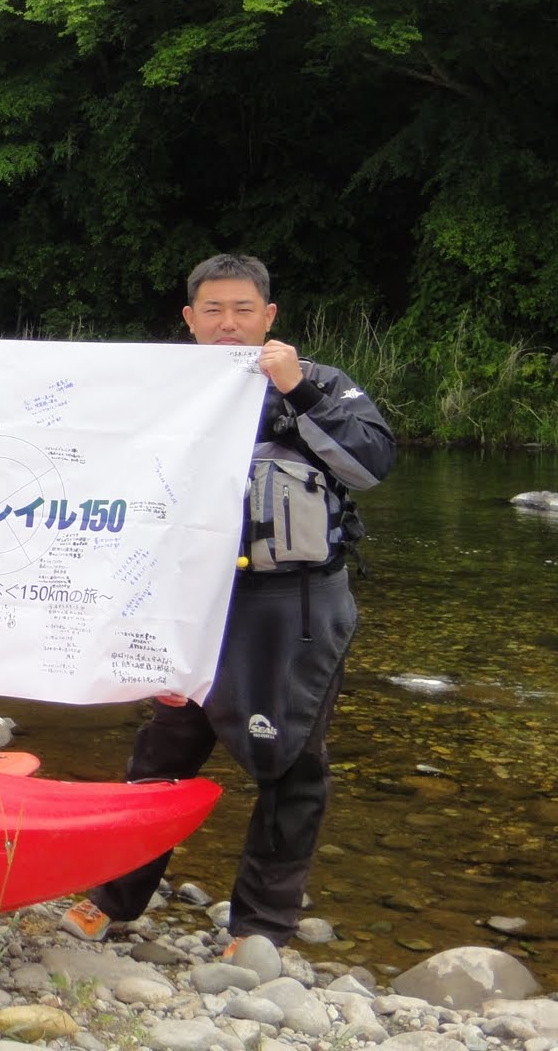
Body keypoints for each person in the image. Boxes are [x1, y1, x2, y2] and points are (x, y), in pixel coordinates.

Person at [61, 254, 395, 952]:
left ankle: (260, 926)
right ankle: (113, 898)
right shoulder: (161, 393)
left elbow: (371, 464)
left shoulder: (320, 383)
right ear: (189, 319)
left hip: (294, 606)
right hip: (192, 604)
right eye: (212, 310)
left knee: (292, 760)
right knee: (163, 750)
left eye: (243, 310)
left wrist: (298, 390)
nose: (228, 323)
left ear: (268, 316)